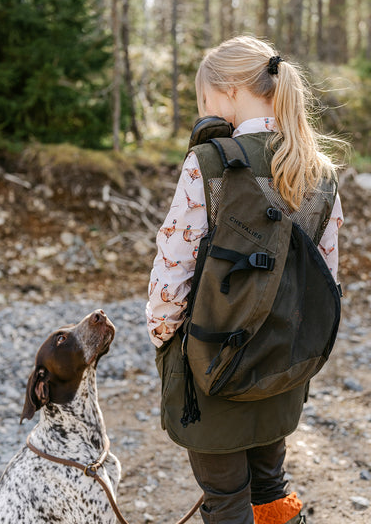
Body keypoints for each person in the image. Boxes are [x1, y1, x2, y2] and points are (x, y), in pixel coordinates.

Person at [146, 36, 343, 524]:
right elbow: (327, 278)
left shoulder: (209, 164)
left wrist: (164, 338)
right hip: (281, 362)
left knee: (225, 497)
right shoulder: (317, 170)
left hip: (211, 361)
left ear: (230, 90)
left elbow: (173, 269)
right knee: (270, 483)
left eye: (205, 99)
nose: (206, 109)